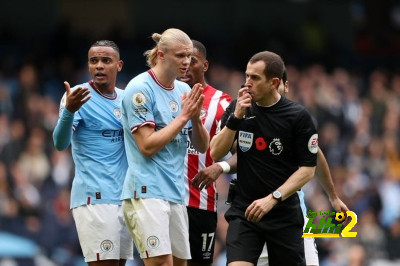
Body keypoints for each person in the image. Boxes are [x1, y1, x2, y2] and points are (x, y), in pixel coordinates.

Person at [193, 68, 350, 266]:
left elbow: (315, 159)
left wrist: (333, 197)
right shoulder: (244, 112)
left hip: (288, 216)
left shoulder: (295, 118)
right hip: (249, 213)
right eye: (248, 77)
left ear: (281, 85)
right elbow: (237, 154)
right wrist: (222, 166)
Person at [208, 51, 318, 265]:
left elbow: (307, 170)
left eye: (255, 78)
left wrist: (272, 198)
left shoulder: (297, 117)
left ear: (273, 82)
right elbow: (215, 152)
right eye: (247, 76)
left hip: (283, 213)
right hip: (245, 212)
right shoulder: (237, 108)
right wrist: (236, 117)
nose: (247, 83)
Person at [120, 28, 210, 266]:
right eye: (180, 56)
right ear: (161, 55)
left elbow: (202, 147)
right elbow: (147, 146)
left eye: (189, 56)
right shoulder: (140, 88)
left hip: (176, 193)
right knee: (161, 263)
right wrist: (182, 117)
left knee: (180, 263)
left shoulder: (183, 90)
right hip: (146, 191)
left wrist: (195, 119)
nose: (187, 62)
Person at [53, 40, 133, 266]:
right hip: (94, 198)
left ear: (119, 65)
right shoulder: (78, 96)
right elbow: (60, 143)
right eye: (93, 61)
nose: (99, 65)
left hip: (124, 198)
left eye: (106, 61)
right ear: (88, 66)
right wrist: (69, 111)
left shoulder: (127, 98)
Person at [178, 40, 232, 266]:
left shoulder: (223, 103)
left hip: (202, 202)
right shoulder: (164, 97)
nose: (186, 66)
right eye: (182, 60)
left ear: (205, 65)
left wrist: (221, 167)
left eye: (192, 61)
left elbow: (233, 151)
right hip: (167, 199)